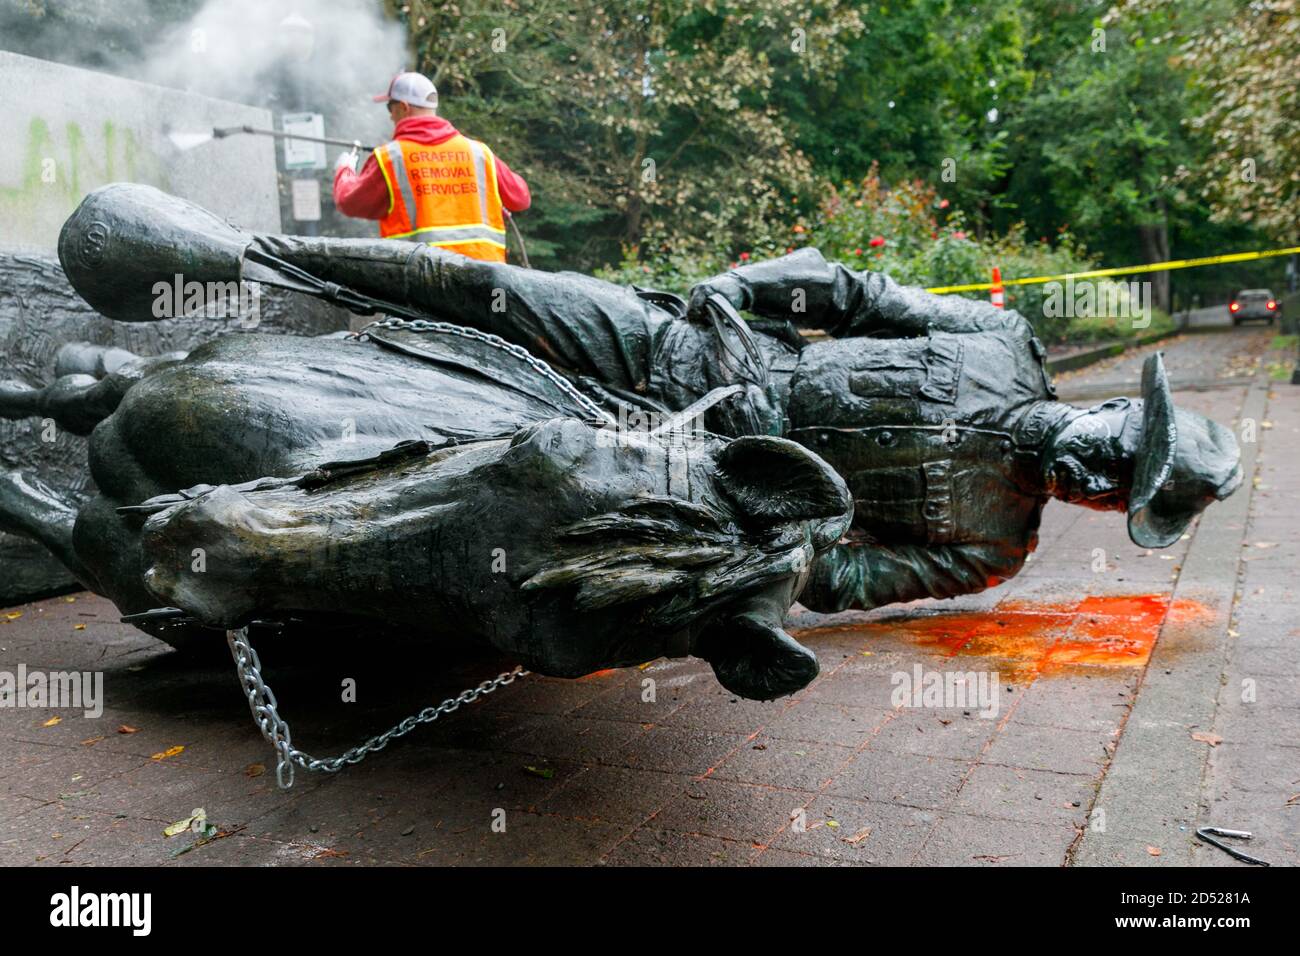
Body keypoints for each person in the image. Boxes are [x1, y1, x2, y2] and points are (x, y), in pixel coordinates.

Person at [332, 71, 530, 262]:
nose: (390, 117)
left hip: (420, 287)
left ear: (403, 107)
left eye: (389, 108)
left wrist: (345, 169)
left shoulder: (391, 158)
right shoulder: (479, 153)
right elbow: (521, 199)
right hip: (485, 283)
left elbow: (349, 202)